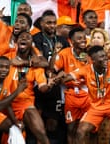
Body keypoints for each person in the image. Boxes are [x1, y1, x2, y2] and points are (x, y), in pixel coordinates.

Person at [6, 31, 55, 144]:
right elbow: (11, 61)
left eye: (27, 38)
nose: (23, 38)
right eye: (21, 37)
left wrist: (49, 85)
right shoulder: (9, 55)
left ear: (31, 43)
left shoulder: (36, 66)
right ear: (17, 42)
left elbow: (42, 87)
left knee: (41, 134)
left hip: (25, 103)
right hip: (5, 101)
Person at [33, 9, 70, 144]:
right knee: (37, 120)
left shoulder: (62, 40)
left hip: (56, 86)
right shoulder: (36, 38)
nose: (52, 26)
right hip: (39, 83)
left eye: (54, 23)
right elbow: (40, 61)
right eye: (48, 23)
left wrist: (57, 77)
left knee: (52, 122)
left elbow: (67, 63)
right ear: (42, 24)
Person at [54, 27, 91, 144]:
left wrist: (89, 62)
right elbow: (53, 70)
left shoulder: (91, 55)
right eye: (79, 38)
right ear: (71, 41)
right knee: (71, 128)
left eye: (84, 38)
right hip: (70, 94)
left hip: (87, 93)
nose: (83, 41)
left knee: (86, 128)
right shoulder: (65, 53)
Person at [0, 56, 27, 136]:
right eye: (1, 66)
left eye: (7, 67)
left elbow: (8, 104)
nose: (4, 70)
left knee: (13, 128)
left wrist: (16, 121)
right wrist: (18, 91)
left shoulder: (6, 82)